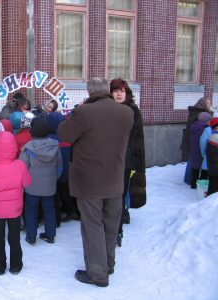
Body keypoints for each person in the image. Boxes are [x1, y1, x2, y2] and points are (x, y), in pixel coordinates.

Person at [57, 77, 133, 287]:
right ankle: (108, 263)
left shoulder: (84, 113)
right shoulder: (127, 113)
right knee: (110, 224)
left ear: (89, 92)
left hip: (89, 181)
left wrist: (77, 112)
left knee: (92, 227)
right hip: (115, 179)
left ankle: (98, 274)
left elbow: (64, 133)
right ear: (108, 90)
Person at [0, 131, 32, 275]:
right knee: (14, 236)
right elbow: (27, 182)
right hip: (15, 209)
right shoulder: (20, 165)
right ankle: (16, 265)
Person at [110, 78, 146, 247]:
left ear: (127, 93)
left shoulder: (132, 110)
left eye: (122, 91)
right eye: (116, 90)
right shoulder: (108, 109)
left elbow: (125, 133)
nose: (119, 94)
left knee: (120, 195)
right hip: (108, 159)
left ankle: (117, 231)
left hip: (124, 159)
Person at [19, 116, 62, 245]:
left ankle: (31, 236)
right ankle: (50, 235)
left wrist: (25, 184)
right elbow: (59, 168)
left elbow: (22, 169)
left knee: (31, 210)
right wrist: (53, 181)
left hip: (31, 187)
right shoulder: (55, 146)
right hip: (49, 187)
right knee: (49, 210)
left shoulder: (28, 148)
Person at [46, 111, 80, 223]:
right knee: (66, 192)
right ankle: (72, 210)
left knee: (58, 194)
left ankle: (69, 212)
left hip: (52, 171)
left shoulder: (47, 139)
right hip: (67, 170)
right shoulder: (66, 137)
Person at [180, 97, 212, 185]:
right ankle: (191, 181)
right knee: (194, 164)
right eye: (209, 103)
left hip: (190, 141)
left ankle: (188, 180)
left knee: (192, 162)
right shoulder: (201, 115)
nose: (210, 105)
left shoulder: (195, 112)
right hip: (194, 143)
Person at [189, 112, 211, 188]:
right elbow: (203, 141)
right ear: (205, 121)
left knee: (195, 168)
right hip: (200, 150)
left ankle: (193, 184)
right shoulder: (205, 129)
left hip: (193, 150)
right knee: (203, 168)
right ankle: (201, 185)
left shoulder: (193, 126)